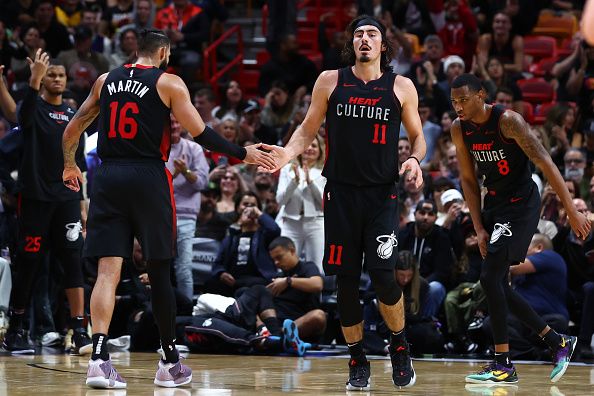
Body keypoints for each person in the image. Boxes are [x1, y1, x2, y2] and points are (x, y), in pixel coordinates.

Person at [61, 29, 274, 389]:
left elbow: (73, 127)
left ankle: (98, 359)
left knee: (107, 271)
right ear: (162, 52)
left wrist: (69, 164)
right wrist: (243, 153)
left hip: (108, 177)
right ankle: (170, 362)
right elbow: (201, 133)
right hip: (147, 176)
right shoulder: (169, 82)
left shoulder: (104, 80)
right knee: (161, 271)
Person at [262, 15, 426, 391]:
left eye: (372, 35)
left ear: (384, 45)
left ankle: (399, 347)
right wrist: (287, 155)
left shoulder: (401, 86)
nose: (364, 40)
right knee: (346, 284)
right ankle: (357, 358)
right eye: (358, 35)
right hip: (339, 194)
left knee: (385, 279)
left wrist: (415, 160)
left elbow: (417, 137)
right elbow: (307, 129)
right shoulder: (330, 80)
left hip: (382, 195)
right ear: (351, 44)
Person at [449, 73, 591, 385]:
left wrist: (571, 209)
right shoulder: (459, 129)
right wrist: (479, 227)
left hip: (522, 203)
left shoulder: (507, 121)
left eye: (463, 99)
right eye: (454, 101)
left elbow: (546, 163)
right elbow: (469, 181)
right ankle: (557, 341)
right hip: (495, 205)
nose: (458, 106)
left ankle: (503, 364)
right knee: (494, 283)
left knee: (489, 277)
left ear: (481, 95)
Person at [2, 50, 92, 356]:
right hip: (35, 199)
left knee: (72, 262)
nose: (56, 79)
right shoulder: (34, 108)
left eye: (60, 75)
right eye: (51, 74)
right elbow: (20, 117)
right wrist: (33, 80)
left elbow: (77, 162)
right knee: (28, 264)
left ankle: (79, 330)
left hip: (66, 199)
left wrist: (81, 204)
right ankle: (16, 329)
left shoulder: (72, 117)